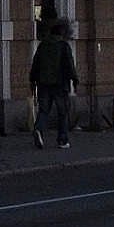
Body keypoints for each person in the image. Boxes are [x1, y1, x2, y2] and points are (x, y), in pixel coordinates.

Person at [28, 20, 79, 149]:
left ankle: (39, 128)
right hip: (60, 84)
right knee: (62, 112)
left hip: (43, 83)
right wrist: (75, 79)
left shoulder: (42, 45)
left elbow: (35, 64)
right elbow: (69, 64)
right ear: (62, 33)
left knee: (44, 110)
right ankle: (62, 140)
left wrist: (32, 79)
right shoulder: (63, 46)